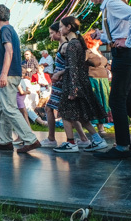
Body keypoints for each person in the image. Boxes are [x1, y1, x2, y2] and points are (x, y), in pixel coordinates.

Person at [85, 0, 131, 159]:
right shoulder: (108, 8)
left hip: (127, 54)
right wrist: (102, 34)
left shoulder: (112, 4)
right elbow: (117, 34)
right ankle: (123, 146)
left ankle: (122, 147)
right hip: (124, 53)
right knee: (127, 101)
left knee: (116, 100)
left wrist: (130, 42)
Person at [53, 16, 108, 153]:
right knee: (81, 114)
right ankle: (97, 139)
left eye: (61, 26)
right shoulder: (78, 43)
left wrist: (73, 89)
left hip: (73, 83)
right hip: (80, 82)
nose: (60, 29)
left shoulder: (72, 44)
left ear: (68, 27)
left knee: (65, 112)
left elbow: (73, 68)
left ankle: (71, 143)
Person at [0, 5, 40, 153]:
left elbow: (9, 51)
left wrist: (4, 73)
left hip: (9, 74)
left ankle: (30, 139)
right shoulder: (11, 30)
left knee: (9, 108)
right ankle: (5, 140)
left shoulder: (5, 30)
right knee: (3, 109)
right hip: (11, 72)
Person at [42, 23, 89, 148]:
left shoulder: (66, 46)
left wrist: (59, 74)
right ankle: (84, 138)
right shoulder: (62, 46)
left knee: (65, 112)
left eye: (52, 33)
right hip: (60, 83)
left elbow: (71, 66)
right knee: (66, 113)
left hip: (64, 83)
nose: (51, 36)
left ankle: (54, 138)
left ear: (60, 32)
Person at [83, 30, 110, 133]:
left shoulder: (98, 52)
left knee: (103, 103)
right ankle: (96, 127)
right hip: (93, 79)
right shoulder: (87, 51)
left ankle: (101, 126)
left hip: (103, 80)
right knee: (96, 102)